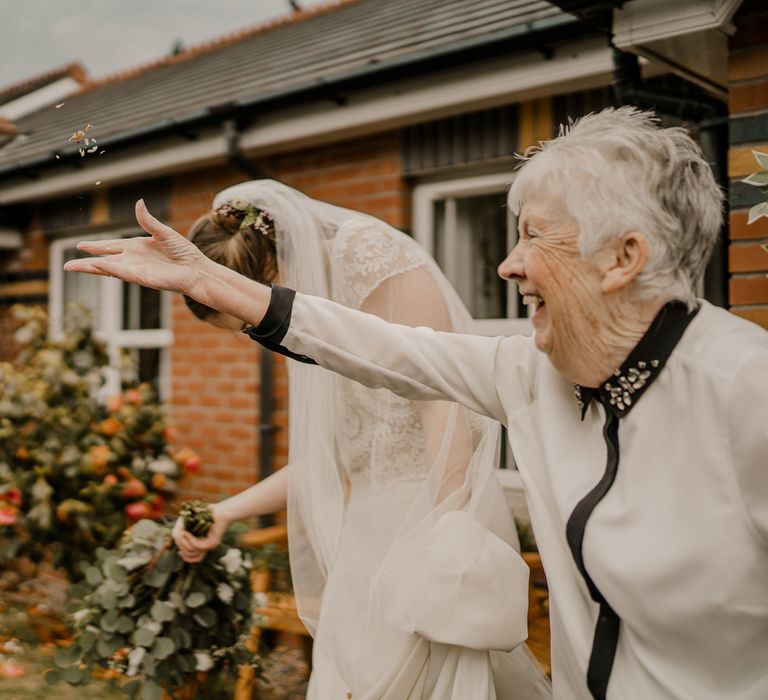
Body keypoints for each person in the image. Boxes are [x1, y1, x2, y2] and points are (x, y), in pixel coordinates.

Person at [65, 107, 768, 700]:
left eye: (532, 236)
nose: (506, 265)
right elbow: (382, 347)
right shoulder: (525, 376)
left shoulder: (751, 395)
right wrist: (223, 287)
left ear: (623, 259)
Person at [115, 179, 551, 699]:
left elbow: (442, 400)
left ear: (265, 278)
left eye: (239, 323)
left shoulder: (368, 254)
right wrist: (225, 512)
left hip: (430, 516)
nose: (247, 336)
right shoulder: (311, 310)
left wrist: (448, 534)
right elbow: (337, 457)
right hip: (364, 539)